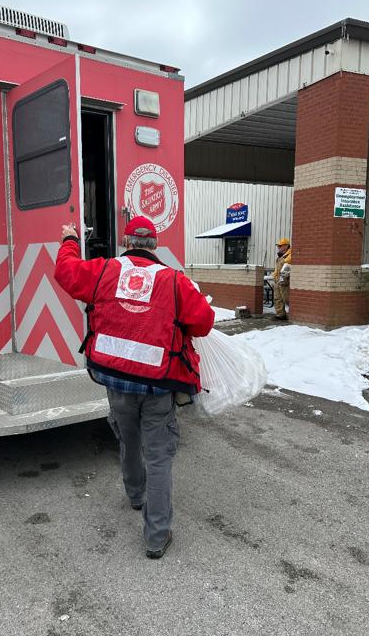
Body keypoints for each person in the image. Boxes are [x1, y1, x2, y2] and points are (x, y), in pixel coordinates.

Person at [54, 216, 214, 559]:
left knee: (128, 439)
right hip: (158, 386)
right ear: (155, 245)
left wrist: (70, 240)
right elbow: (203, 323)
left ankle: (135, 495)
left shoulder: (103, 270)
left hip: (115, 380)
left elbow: (66, 272)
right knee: (158, 457)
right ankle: (156, 537)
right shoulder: (175, 281)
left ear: (126, 242)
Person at [273, 237, 292, 320]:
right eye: (278, 246)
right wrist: (274, 276)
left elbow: (287, 265)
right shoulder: (280, 256)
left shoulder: (290, 255)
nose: (278, 247)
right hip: (278, 280)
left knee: (286, 298)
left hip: (285, 281)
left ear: (286, 246)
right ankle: (280, 314)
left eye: (280, 246)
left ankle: (293, 313)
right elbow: (277, 269)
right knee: (277, 298)